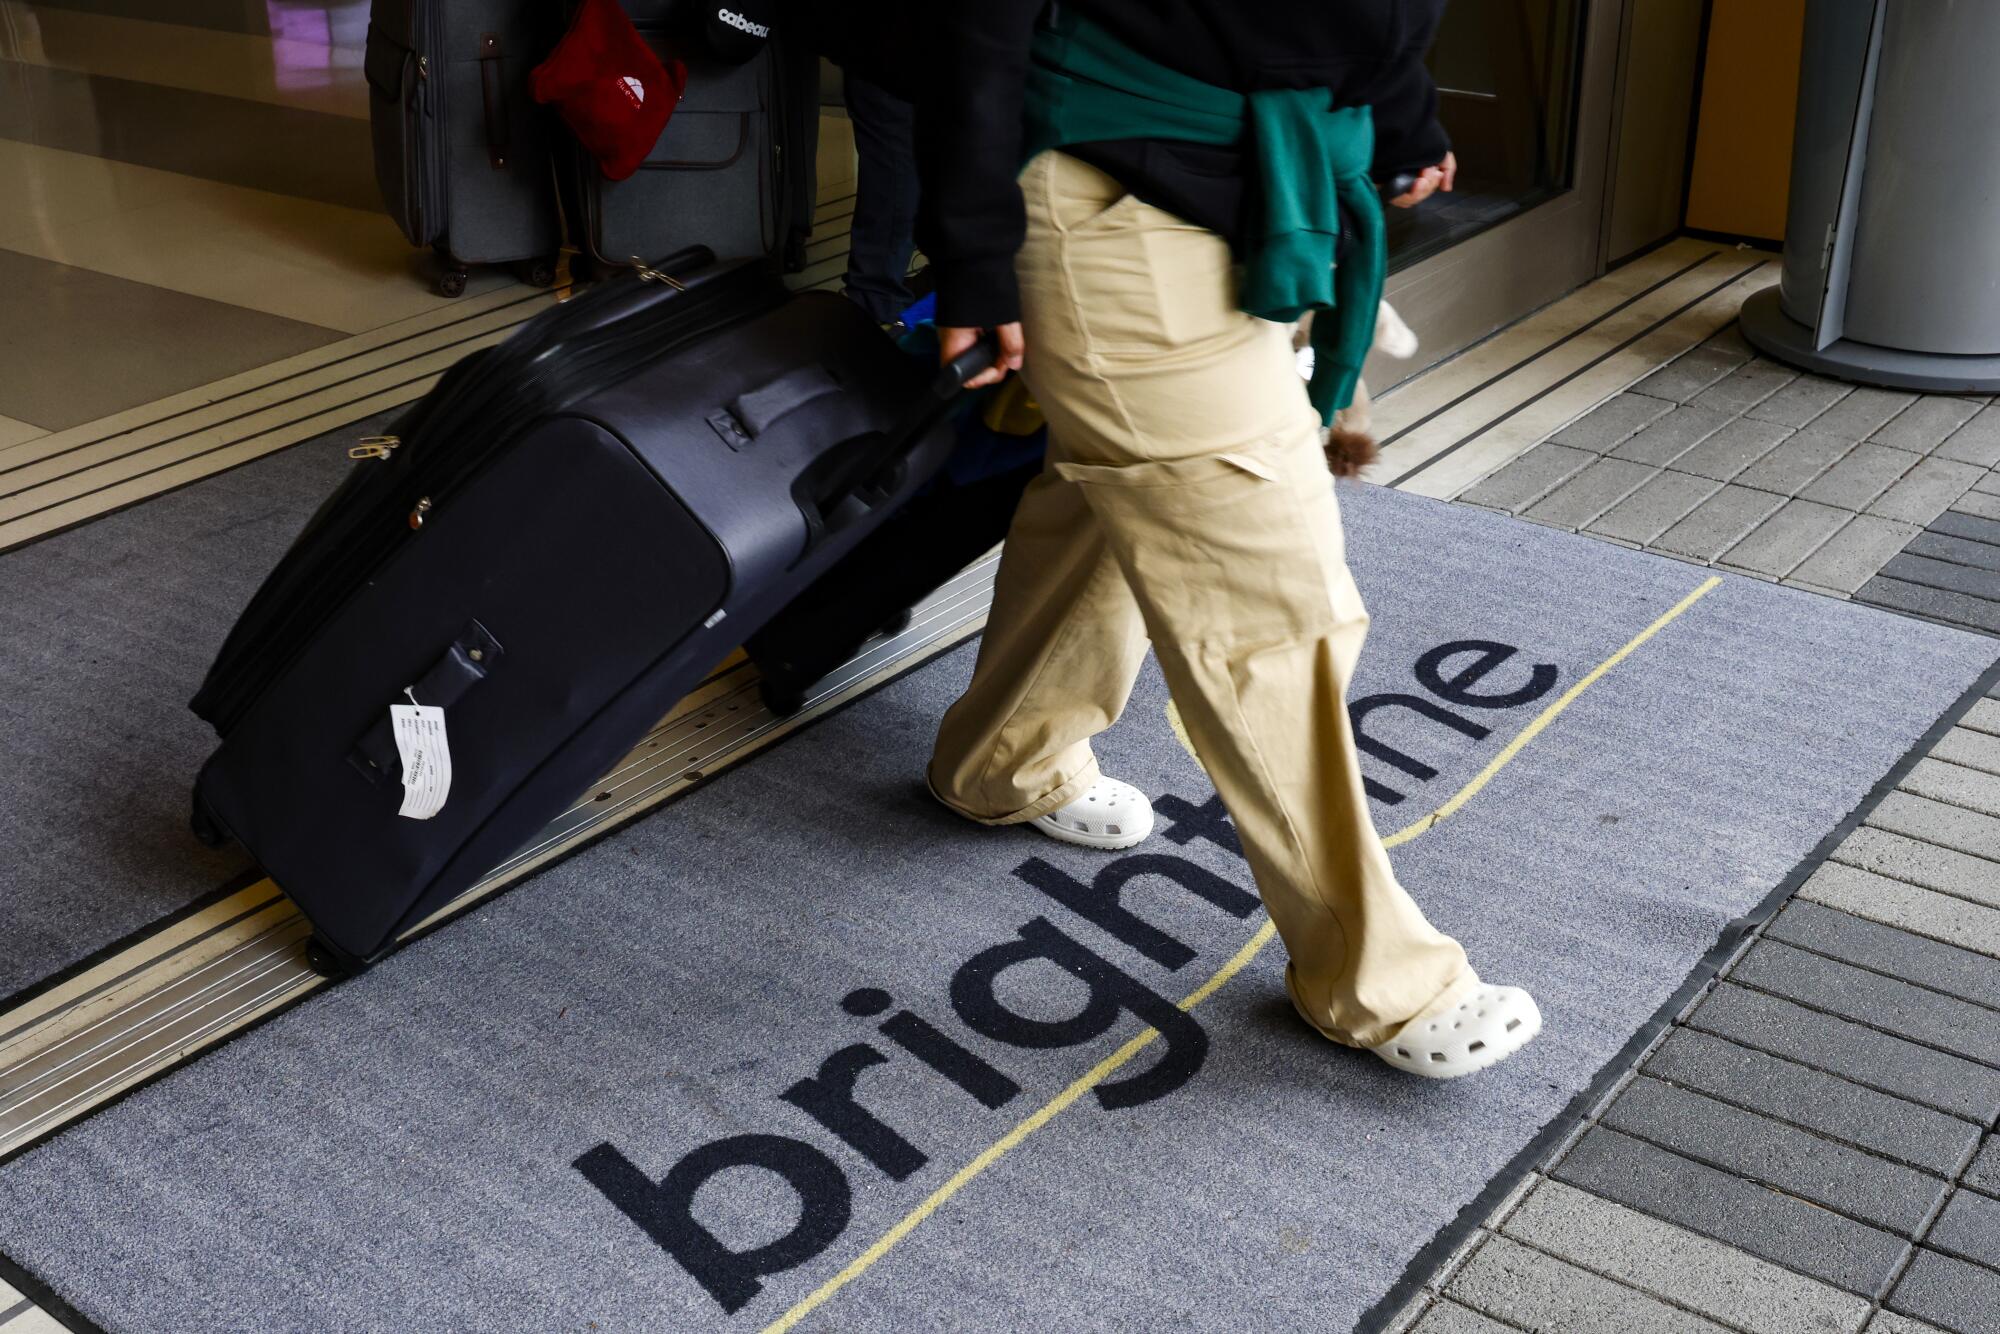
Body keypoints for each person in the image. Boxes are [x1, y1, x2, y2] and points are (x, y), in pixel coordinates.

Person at [912, 1, 1541, 1080]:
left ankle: (1001, 758)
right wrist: (971, 251)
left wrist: (1399, 113)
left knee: (1111, 507)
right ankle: (1373, 977)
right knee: (1263, 589)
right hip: (1116, 190)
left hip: (1247, 178)